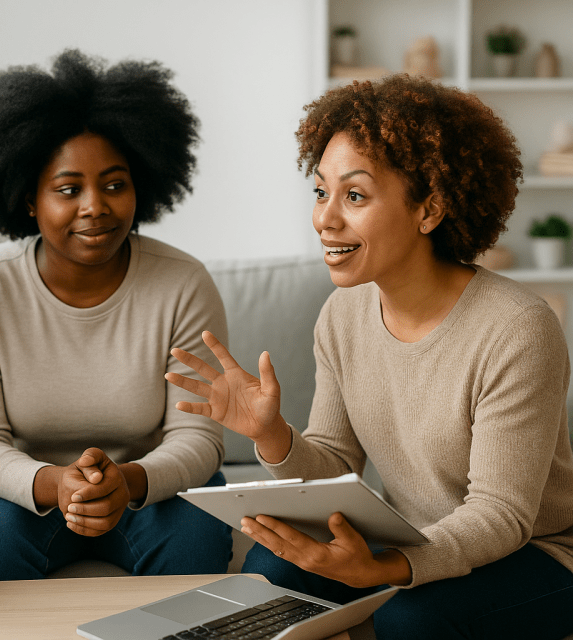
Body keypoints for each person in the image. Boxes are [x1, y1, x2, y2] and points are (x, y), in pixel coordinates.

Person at [167, 74, 573, 639]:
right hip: (413, 536)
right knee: (272, 569)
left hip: (537, 554)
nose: (325, 218)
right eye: (320, 191)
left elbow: (501, 515)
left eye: (354, 195)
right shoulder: (343, 313)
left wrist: (388, 569)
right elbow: (336, 462)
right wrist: (272, 436)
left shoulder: (517, 327)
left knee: (408, 618)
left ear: (428, 210)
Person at [0, 49, 233, 581]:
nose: (95, 206)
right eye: (68, 189)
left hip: (150, 486)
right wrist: (57, 484)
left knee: (196, 539)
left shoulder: (183, 283)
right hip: (18, 491)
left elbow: (199, 440)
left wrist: (127, 480)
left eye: (115, 185)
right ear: (29, 198)